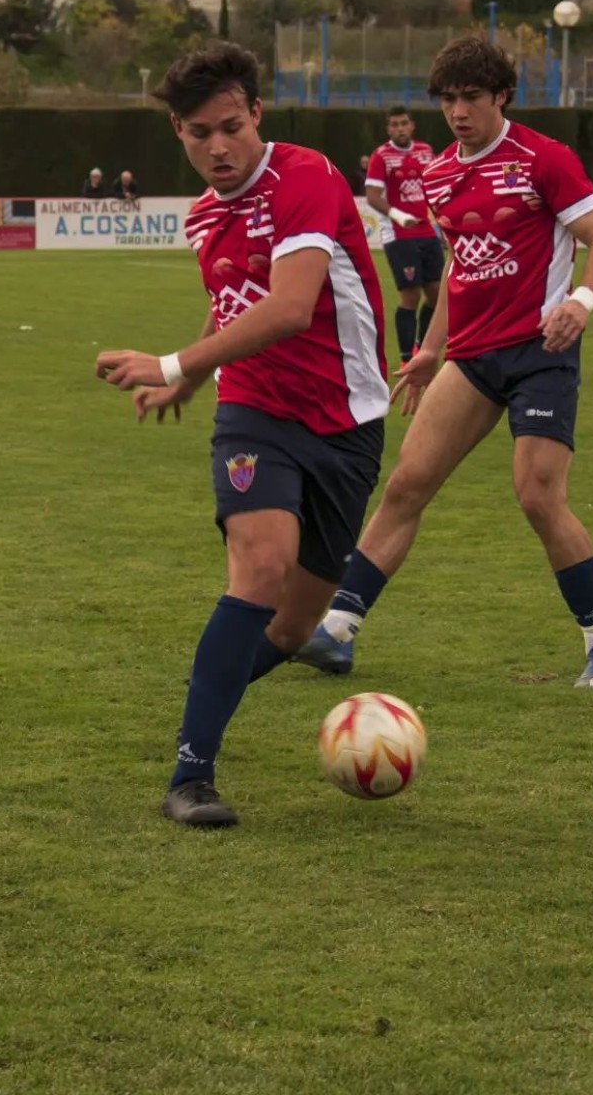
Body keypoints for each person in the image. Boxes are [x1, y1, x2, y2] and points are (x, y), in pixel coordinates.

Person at [94, 44, 388, 827]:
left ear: (257, 114)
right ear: (177, 132)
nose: (218, 148)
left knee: (292, 630)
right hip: (255, 412)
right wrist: (188, 381)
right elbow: (234, 306)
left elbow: (290, 307)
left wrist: (170, 361)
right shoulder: (203, 216)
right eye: (199, 133)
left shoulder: (307, 177)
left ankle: (207, 692)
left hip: (349, 421)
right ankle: (192, 774)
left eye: (231, 127)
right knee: (259, 568)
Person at [295, 36, 593, 689]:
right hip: (471, 359)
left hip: (541, 353)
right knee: (406, 485)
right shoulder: (438, 173)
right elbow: (458, 268)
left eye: (471, 97)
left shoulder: (543, 159)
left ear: (501, 95)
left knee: (537, 496)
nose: (458, 111)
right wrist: (429, 350)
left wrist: (581, 301)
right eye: (447, 99)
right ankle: (338, 629)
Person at [365, 105, 444, 365]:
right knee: (410, 295)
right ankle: (405, 357)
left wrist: (441, 222)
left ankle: (422, 345)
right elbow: (373, 198)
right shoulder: (382, 156)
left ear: (412, 126)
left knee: (436, 292)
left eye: (404, 123)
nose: (400, 128)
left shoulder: (425, 152)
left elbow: (433, 189)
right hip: (399, 235)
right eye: (394, 125)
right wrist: (399, 216)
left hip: (426, 231)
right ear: (389, 129)